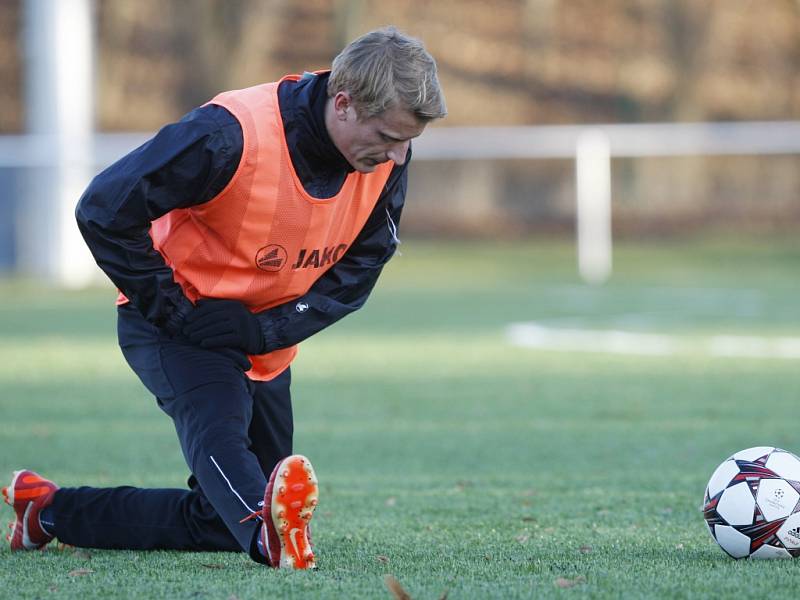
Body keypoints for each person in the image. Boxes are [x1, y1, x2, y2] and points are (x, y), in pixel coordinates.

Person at [3, 26, 446, 569]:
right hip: (177, 326)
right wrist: (173, 309)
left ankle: (45, 511)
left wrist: (265, 331)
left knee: (221, 517)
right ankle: (269, 537)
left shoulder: (385, 158)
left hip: (265, 343)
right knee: (227, 448)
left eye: (408, 142)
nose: (398, 155)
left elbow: (360, 268)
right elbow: (103, 208)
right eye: (387, 136)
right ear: (345, 103)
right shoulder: (229, 133)